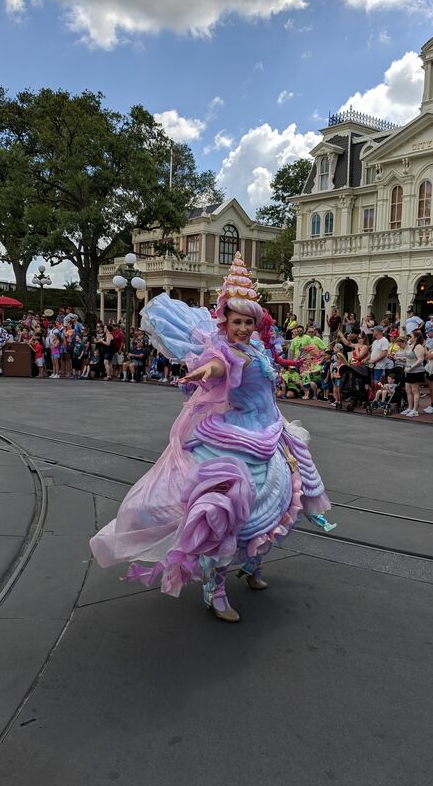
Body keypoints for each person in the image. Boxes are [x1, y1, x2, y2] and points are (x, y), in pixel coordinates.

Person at [90, 252, 334, 623]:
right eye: (237, 321)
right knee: (228, 514)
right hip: (237, 439)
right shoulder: (223, 351)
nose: (243, 328)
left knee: (279, 505)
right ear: (226, 321)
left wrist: (292, 364)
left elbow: (266, 370)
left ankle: (252, 567)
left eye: (249, 322)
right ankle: (214, 588)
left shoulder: (255, 347)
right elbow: (220, 366)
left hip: (271, 431)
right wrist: (204, 371)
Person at [401, 331, 426, 417]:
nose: (409, 337)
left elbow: (420, 360)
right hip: (408, 370)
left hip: (416, 371)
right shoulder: (411, 346)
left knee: (415, 390)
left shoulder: (418, 346)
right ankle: (410, 407)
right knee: (408, 390)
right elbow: (408, 356)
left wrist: (411, 367)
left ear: (415, 337)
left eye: (411, 336)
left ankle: (415, 410)